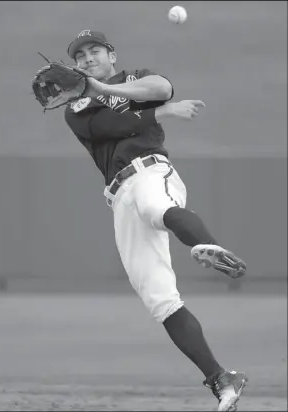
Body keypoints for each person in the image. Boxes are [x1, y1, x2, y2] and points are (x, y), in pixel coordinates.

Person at [64, 30, 247, 411]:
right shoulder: (76, 108)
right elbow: (111, 128)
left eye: (94, 50)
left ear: (111, 54)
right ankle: (222, 379)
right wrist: (162, 111)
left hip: (149, 170)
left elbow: (161, 85)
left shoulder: (134, 78)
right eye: (79, 55)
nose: (86, 58)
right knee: (158, 298)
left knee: (155, 207)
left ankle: (202, 244)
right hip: (118, 197)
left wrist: (112, 90)